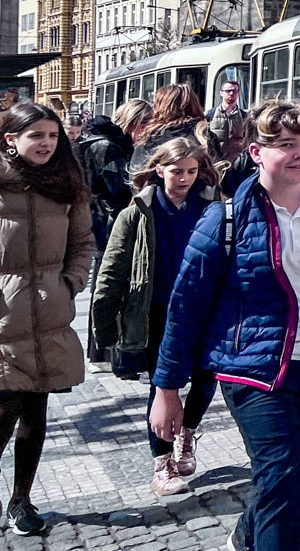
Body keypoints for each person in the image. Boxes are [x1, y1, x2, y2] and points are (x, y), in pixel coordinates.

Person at [152, 100, 300, 551]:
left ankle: (245, 536)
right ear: (256, 152)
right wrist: (167, 389)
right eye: (286, 144)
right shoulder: (224, 219)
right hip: (253, 371)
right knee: (285, 473)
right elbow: (184, 307)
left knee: (287, 474)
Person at [91, 136, 222, 496]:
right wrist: (105, 325)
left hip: (205, 309)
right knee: (163, 385)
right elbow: (112, 268)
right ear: (159, 169)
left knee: (207, 377)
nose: (184, 178)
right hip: (157, 312)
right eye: (177, 171)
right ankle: (162, 463)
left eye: (191, 171)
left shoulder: (213, 208)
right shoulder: (137, 212)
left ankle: (187, 433)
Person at [0, 102, 95, 534]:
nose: (46, 143)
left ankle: (21, 500)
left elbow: (83, 241)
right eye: (36, 135)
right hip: (4, 319)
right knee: (4, 411)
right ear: (11, 139)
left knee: (34, 412)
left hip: (49, 315)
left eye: (53, 135)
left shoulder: (67, 182)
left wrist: (70, 283)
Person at [76, 113, 135, 365]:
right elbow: (118, 188)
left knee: (102, 283)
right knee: (110, 282)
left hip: (94, 218)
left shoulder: (84, 145)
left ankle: (98, 352)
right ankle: (106, 351)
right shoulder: (108, 147)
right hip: (109, 221)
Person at [130, 85, 219, 175]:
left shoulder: (150, 137)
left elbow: (136, 173)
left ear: (160, 108)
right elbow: (217, 169)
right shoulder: (204, 135)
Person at [207, 80, 250, 163]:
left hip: (237, 163)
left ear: (238, 94)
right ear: (221, 93)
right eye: (228, 91)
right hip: (215, 162)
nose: (231, 93)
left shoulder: (245, 116)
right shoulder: (209, 115)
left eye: (234, 91)